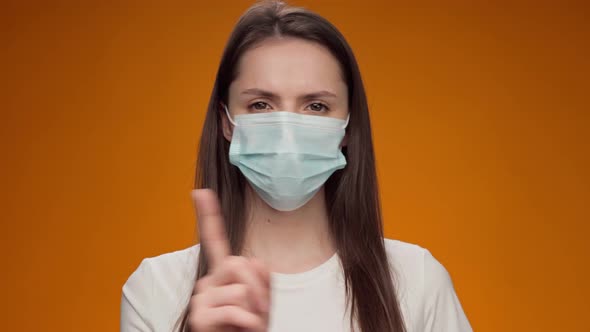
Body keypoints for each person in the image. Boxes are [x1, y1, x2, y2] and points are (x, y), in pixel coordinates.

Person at [120, 1, 472, 331]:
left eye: (316, 106)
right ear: (226, 122)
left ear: (347, 127)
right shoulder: (157, 288)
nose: (287, 131)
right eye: (261, 104)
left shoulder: (417, 279)